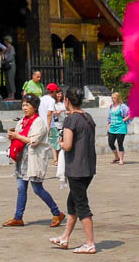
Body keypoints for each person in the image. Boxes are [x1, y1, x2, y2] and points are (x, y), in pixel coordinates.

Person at [2, 94, 65, 228]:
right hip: (22, 159)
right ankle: (18, 217)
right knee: (21, 188)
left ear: (34, 107)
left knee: (37, 188)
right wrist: (13, 137)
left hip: (33, 160)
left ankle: (56, 212)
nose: (24, 108)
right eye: (23, 105)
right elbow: (19, 138)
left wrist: (17, 136)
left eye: (27, 105)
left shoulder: (39, 122)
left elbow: (34, 141)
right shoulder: (22, 122)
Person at [51, 87, 98, 254]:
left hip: (77, 168)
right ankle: (65, 237)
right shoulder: (88, 116)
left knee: (81, 205)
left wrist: (61, 143)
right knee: (73, 203)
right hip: (88, 167)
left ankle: (90, 243)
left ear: (67, 101)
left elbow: (68, 145)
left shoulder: (71, 120)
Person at [40, 83, 63, 165]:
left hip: (40, 125)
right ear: (53, 91)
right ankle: (59, 160)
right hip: (50, 125)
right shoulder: (51, 100)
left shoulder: (41, 99)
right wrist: (49, 126)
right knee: (57, 143)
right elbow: (49, 114)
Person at [107, 91, 129, 165]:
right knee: (110, 143)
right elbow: (109, 117)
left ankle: (121, 159)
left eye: (114, 98)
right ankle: (116, 157)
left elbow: (130, 114)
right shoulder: (111, 106)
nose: (113, 99)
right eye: (112, 98)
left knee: (120, 143)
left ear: (118, 98)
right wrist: (108, 125)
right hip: (112, 127)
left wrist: (123, 120)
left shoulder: (122, 106)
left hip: (121, 127)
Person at [2, 35, 17, 100]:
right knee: (7, 81)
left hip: (11, 66)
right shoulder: (7, 48)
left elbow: (10, 58)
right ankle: (9, 95)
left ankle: (12, 95)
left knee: (11, 80)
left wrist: (4, 60)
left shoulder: (11, 48)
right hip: (7, 66)